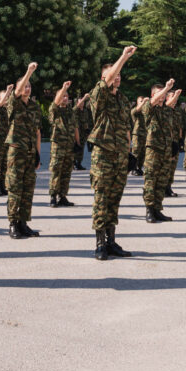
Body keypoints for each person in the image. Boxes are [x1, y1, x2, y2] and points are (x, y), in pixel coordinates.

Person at [88, 45, 138, 260]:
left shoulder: (123, 100)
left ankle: (111, 241)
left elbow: (126, 127)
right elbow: (108, 79)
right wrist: (123, 57)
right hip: (103, 155)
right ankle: (99, 244)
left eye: (119, 75)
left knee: (114, 199)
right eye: (113, 74)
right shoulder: (98, 94)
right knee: (101, 199)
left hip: (120, 156)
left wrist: (129, 152)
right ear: (104, 78)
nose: (117, 77)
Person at [6, 63, 42, 239]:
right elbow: (18, 91)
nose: (27, 88)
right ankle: (13, 224)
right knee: (15, 188)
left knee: (28, 189)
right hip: (16, 152)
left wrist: (38, 154)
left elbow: (37, 132)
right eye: (25, 85)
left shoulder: (34, 107)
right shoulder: (14, 102)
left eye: (29, 86)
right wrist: (29, 71)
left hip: (30, 152)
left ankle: (23, 223)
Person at [142, 80, 177, 222]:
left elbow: (169, 129)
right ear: (153, 95)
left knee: (162, 181)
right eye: (159, 93)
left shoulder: (167, 110)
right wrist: (167, 88)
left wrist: (173, 144)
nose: (162, 95)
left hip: (166, 150)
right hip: (153, 150)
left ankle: (157, 209)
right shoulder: (148, 107)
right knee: (151, 180)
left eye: (164, 93)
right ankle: (149, 210)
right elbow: (153, 102)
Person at [48, 80, 79, 208]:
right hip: (58, 147)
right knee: (56, 171)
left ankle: (62, 196)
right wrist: (64, 88)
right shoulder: (54, 110)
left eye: (66, 96)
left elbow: (75, 127)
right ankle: (53, 196)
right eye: (63, 96)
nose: (65, 98)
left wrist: (77, 143)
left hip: (69, 146)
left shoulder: (71, 112)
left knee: (67, 172)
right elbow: (56, 102)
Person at [130, 96, 148, 177]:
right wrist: (143, 102)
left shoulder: (146, 111)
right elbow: (135, 111)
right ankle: (133, 168)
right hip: (137, 134)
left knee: (143, 153)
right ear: (137, 103)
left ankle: (139, 167)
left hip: (145, 134)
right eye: (140, 101)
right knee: (136, 152)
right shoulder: (135, 111)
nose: (142, 102)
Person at [74, 94, 92, 170]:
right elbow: (77, 106)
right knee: (75, 148)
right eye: (81, 102)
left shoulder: (85, 111)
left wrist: (87, 130)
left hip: (83, 133)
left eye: (83, 102)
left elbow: (86, 121)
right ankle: (73, 162)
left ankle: (79, 163)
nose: (82, 103)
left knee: (81, 149)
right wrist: (84, 97)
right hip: (76, 132)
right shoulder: (75, 110)